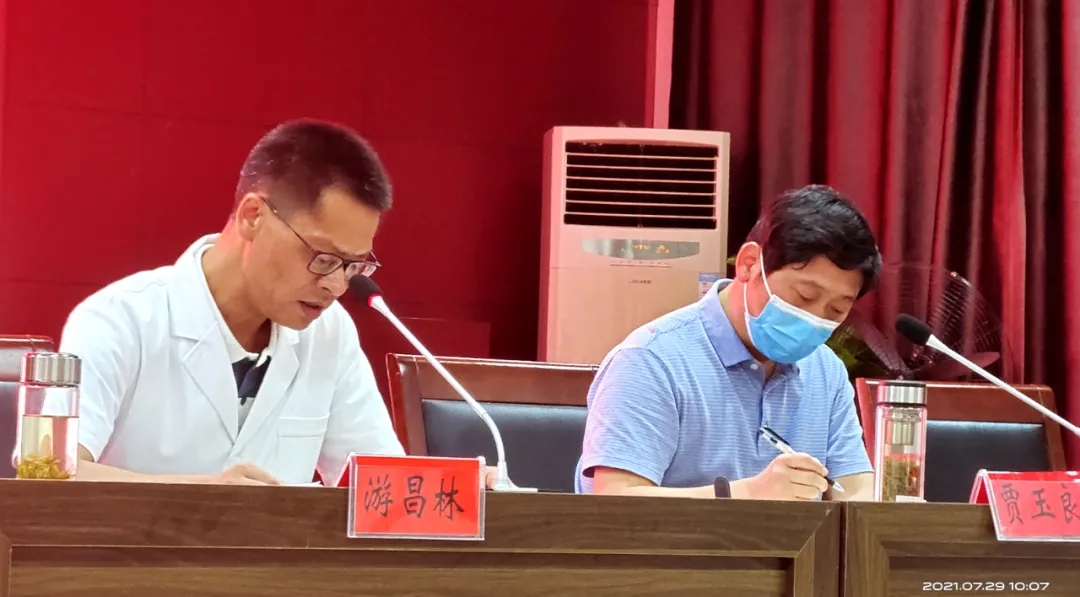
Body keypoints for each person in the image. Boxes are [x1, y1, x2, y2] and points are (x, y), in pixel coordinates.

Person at [61, 119, 404, 485]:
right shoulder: (119, 321)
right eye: (323, 258)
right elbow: (54, 475)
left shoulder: (329, 333)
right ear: (252, 217)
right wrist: (208, 497)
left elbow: (386, 485)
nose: (335, 286)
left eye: (353, 266)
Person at [575, 185, 881, 501]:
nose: (814, 319)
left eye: (836, 310)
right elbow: (615, 500)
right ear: (749, 264)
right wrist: (749, 494)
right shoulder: (650, 361)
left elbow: (855, 491)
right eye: (804, 296)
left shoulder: (825, 370)